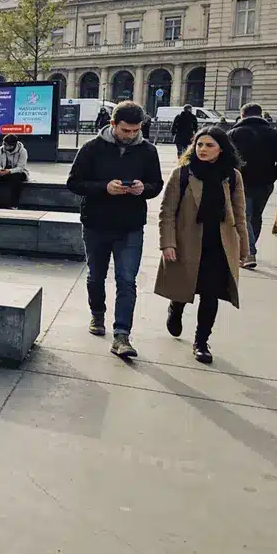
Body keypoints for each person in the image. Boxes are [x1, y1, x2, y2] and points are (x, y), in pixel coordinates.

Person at [66, 101, 164, 360]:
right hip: (96, 222)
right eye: (125, 130)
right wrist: (103, 187)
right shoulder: (91, 148)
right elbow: (74, 182)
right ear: (113, 125)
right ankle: (97, 315)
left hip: (131, 225)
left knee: (126, 280)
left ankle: (122, 335)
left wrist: (145, 188)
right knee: (96, 275)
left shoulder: (147, 150)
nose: (131, 135)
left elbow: (157, 184)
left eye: (135, 130)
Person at [155, 126, 250, 364]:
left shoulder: (232, 177)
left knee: (211, 294)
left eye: (209, 145)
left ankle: (201, 341)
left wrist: (243, 249)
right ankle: (175, 309)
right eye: (199, 144)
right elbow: (167, 212)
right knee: (183, 287)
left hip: (219, 244)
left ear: (221, 148)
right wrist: (168, 243)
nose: (203, 149)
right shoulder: (183, 174)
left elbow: (239, 215)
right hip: (187, 241)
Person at [227, 103, 277, 269]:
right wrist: (273, 174)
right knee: (256, 215)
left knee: (244, 216)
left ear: (242, 115)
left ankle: (249, 252)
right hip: (265, 183)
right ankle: (249, 248)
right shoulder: (274, 134)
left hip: (242, 181)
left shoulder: (233, 134)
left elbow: (227, 159)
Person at [0, 134, 29, 209]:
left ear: (12, 145)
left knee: (16, 178)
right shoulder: (0, 150)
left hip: (17, 172)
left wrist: (9, 171)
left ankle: (14, 204)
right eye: (3, 144)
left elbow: (20, 167)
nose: (4, 146)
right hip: (3, 171)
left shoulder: (22, 151)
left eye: (6, 145)